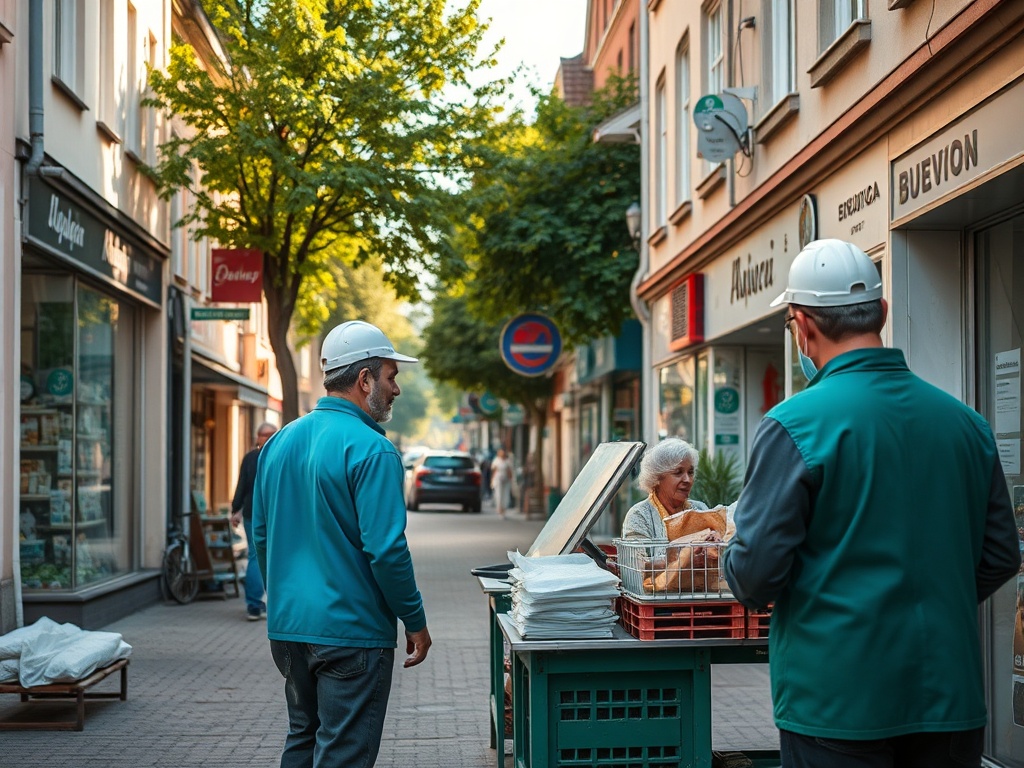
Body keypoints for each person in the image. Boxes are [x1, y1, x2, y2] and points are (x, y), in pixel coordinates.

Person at [721, 239, 1021, 768]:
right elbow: (1001, 555)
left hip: (836, 700)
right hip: (948, 699)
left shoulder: (793, 425)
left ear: (802, 325)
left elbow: (753, 577)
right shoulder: (967, 424)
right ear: (882, 312)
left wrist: (729, 543)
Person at [252, 320, 432, 768]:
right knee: (343, 753)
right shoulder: (373, 450)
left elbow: (260, 534)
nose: (396, 389)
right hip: (351, 634)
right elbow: (386, 550)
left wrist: (285, 595)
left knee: (302, 738)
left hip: (289, 629)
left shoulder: (278, 444)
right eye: (391, 376)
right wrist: (414, 619)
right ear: (364, 379)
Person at [230, 421, 278, 621]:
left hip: (252, 513)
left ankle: (253, 605)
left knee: (254, 556)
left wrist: (235, 510)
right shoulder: (279, 455)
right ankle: (266, 604)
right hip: (273, 513)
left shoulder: (250, 458)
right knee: (271, 558)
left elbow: (241, 485)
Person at [621, 437, 710, 541]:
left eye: (690, 473)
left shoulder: (701, 509)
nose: (687, 480)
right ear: (657, 477)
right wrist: (687, 555)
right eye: (678, 472)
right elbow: (637, 557)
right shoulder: (640, 515)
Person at [490, 448, 513, 518]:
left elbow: (509, 471)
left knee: (505, 495)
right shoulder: (496, 461)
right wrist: (492, 480)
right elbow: (494, 471)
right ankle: (499, 509)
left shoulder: (507, 461)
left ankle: (504, 509)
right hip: (498, 480)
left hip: (506, 481)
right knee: (499, 495)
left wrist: (510, 479)